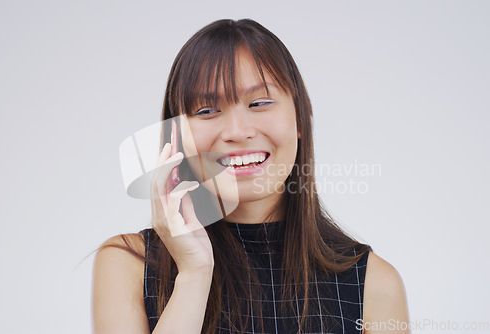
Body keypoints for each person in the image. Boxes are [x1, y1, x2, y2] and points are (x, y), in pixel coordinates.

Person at [91, 19, 409, 334]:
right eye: (206, 110)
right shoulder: (128, 266)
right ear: (176, 135)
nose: (237, 132)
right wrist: (193, 275)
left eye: (259, 103)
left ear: (299, 118)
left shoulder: (372, 285)